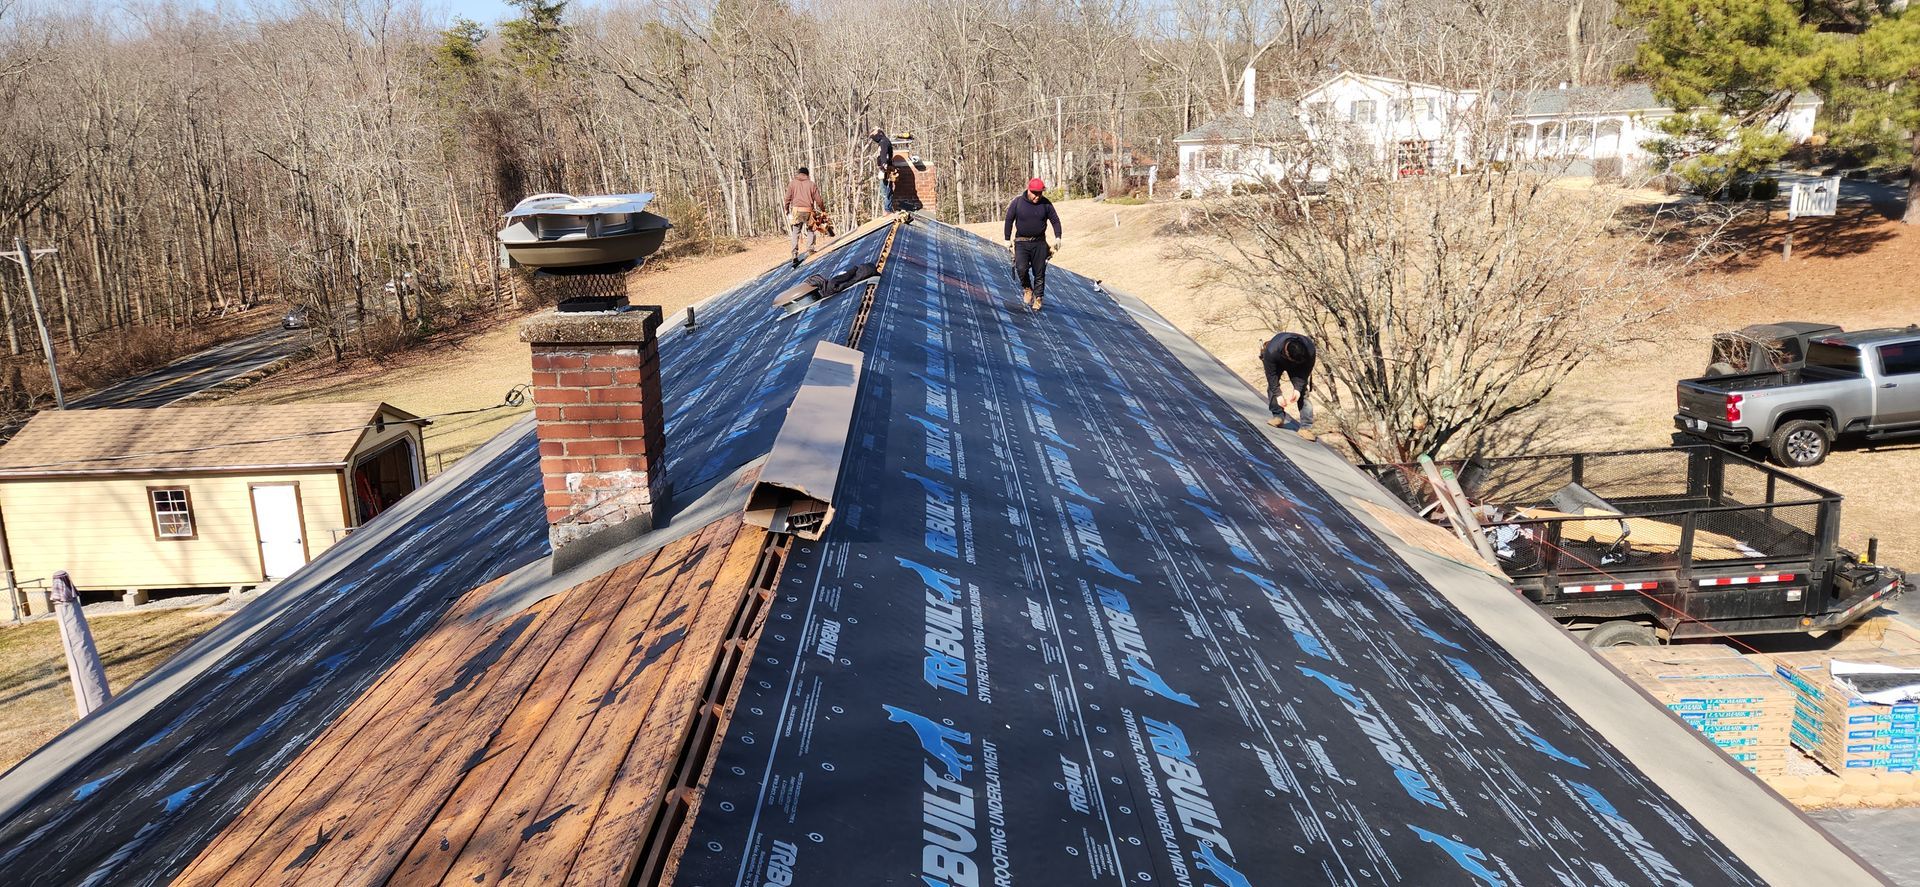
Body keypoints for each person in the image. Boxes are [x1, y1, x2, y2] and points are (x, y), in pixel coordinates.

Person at [1002, 177, 1062, 311]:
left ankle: (1039, 297)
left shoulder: (1046, 204)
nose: (1037, 196)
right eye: (1035, 193)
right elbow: (1009, 220)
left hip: (1039, 243)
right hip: (1021, 242)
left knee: (1039, 272)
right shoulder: (1017, 203)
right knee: (1021, 268)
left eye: (1040, 193)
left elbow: (1055, 221)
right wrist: (1007, 239)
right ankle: (1027, 288)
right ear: (1029, 190)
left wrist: (1058, 238)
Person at [1260, 331, 1317, 440]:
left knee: (1303, 393)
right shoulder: (1272, 350)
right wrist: (1278, 395)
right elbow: (1271, 376)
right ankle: (1278, 416)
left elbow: (1305, 373)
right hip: (1277, 362)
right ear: (1287, 354)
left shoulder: (1309, 350)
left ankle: (1305, 428)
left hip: (1300, 367)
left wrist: (1297, 389)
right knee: (1273, 388)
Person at [783, 167, 823, 267]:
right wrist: (823, 209)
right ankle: (810, 249)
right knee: (811, 229)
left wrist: (786, 209)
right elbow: (818, 199)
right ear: (807, 174)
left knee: (796, 232)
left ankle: (794, 254)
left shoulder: (792, 183)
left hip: (796, 211)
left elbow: (787, 198)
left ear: (799, 173)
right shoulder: (811, 184)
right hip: (808, 210)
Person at [871, 127, 895, 213]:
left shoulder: (883, 142)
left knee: (885, 191)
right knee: (885, 190)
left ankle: (887, 210)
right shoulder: (884, 141)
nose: (873, 138)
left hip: (885, 169)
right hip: (885, 168)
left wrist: (884, 165)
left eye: (874, 135)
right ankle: (887, 209)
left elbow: (884, 154)